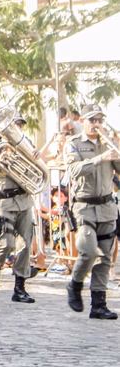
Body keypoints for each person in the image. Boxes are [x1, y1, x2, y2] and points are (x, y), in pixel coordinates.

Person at [64, 104, 119, 320]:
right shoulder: (74, 143)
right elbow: (74, 169)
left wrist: (116, 151)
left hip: (106, 206)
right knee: (88, 250)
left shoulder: (109, 143)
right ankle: (75, 284)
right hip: (84, 206)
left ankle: (99, 304)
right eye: (92, 120)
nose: (96, 124)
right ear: (83, 122)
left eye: (99, 120)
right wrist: (100, 158)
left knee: (105, 257)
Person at [0, 112, 37, 303]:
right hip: (2, 201)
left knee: (25, 245)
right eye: (14, 123)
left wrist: (35, 158)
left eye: (20, 124)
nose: (17, 127)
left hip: (24, 200)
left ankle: (20, 287)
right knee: (6, 242)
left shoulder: (26, 143)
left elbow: (36, 171)